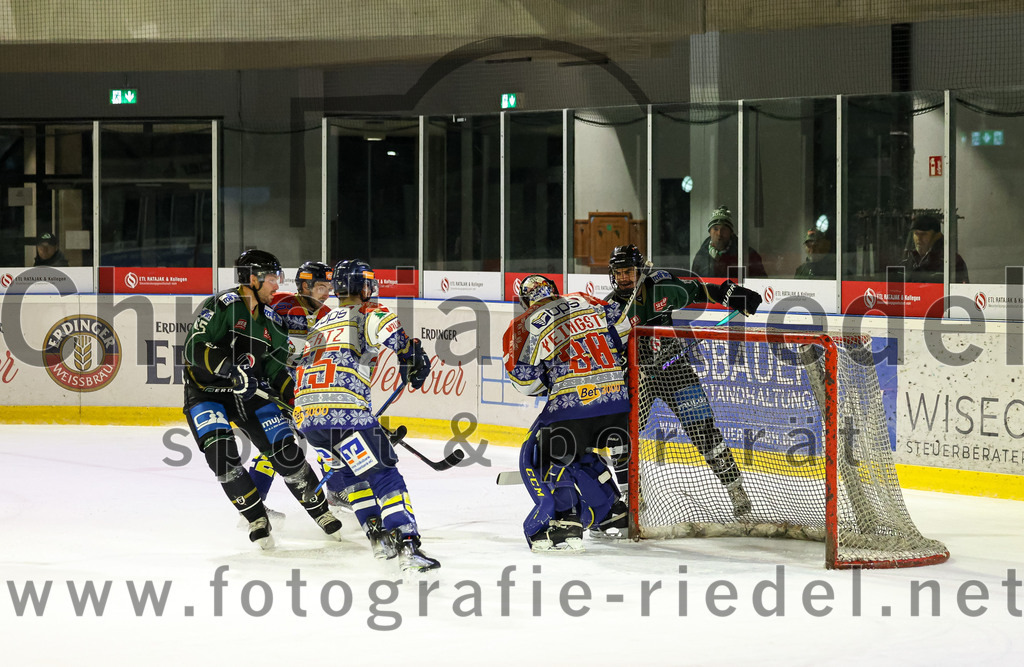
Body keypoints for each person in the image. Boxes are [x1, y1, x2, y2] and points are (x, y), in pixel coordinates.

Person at [182, 249, 342, 549]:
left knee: (286, 451)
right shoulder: (223, 305)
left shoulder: (270, 319)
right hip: (206, 394)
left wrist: (296, 399)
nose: (276, 285)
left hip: (250, 394)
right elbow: (193, 348)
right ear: (251, 278)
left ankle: (320, 511)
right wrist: (230, 369)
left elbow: (274, 367)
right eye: (271, 278)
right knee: (221, 454)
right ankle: (256, 516)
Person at [293, 259, 438, 572]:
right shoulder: (369, 311)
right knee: (383, 472)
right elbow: (400, 343)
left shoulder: (321, 322)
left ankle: (378, 538)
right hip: (346, 414)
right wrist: (413, 359)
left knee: (353, 475)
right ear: (363, 286)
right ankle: (406, 544)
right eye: (369, 282)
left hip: (308, 418)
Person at [607, 244, 762, 518]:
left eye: (628, 272)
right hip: (636, 376)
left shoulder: (663, 287)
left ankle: (736, 488)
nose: (622, 278)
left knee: (703, 429)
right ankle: (632, 495)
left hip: (675, 368)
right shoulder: (610, 309)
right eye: (618, 273)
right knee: (620, 432)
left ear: (641, 270)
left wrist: (731, 294)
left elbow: (703, 290)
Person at [503, 275, 632, 552]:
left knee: (546, 453)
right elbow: (623, 328)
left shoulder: (524, 323)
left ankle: (566, 521)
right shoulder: (587, 300)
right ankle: (612, 510)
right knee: (581, 450)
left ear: (526, 300)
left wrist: (550, 379)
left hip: (571, 407)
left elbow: (525, 381)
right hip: (617, 405)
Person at [247, 260, 338, 505]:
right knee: (278, 445)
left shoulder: (328, 316)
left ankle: (337, 494)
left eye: (329, 286)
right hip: (279, 386)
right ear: (304, 286)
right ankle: (255, 503)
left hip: (308, 391)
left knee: (326, 440)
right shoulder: (280, 304)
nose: (327, 292)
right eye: (321, 286)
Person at [690, 205, 767, 279]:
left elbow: (760, 283)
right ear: (709, 232)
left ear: (731, 232)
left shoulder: (748, 256)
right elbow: (693, 285)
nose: (719, 233)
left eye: (724, 229)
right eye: (715, 229)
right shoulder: (701, 257)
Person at [900, 212, 969, 283]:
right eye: (916, 233)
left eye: (924, 234)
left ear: (937, 236)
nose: (919, 238)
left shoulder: (951, 261)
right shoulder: (907, 260)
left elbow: (961, 290)